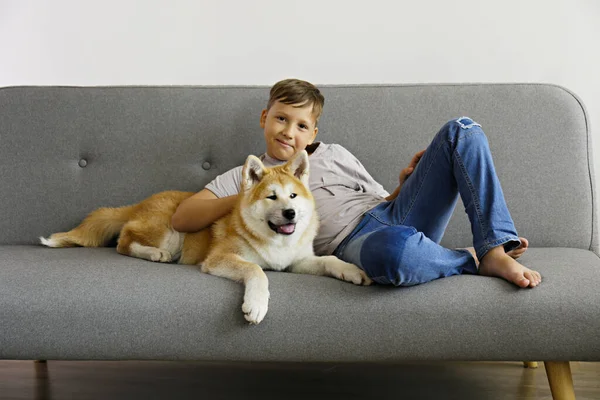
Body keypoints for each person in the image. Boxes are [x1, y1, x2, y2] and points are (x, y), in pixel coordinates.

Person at [171, 79, 541, 288]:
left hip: (391, 212)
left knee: (462, 130)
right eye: (281, 119)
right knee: (394, 255)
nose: (288, 131)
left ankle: (493, 247)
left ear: (314, 132)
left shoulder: (334, 154)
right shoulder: (249, 174)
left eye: (301, 125)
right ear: (265, 118)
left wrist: (403, 185)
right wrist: (252, 197)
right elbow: (183, 218)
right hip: (357, 241)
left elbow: (381, 200)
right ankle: (469, 260)